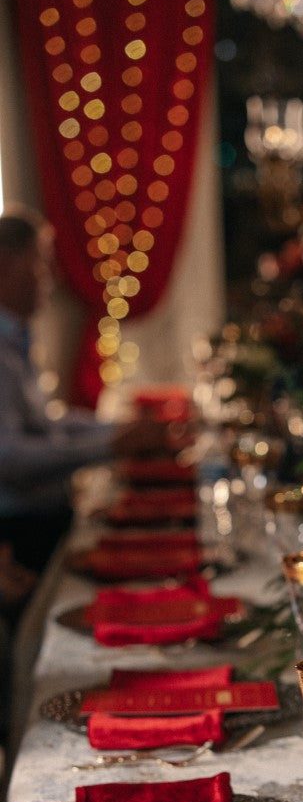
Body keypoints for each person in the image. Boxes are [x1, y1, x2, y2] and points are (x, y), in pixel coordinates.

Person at [0, 206, 168, 578]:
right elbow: (9, 460)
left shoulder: (15, 338)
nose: (52, 276)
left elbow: (48, 425)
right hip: (20, 536)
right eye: (41, 263)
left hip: (42, 521)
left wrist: (119, 430)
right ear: (5, 265)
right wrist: (110, 446)